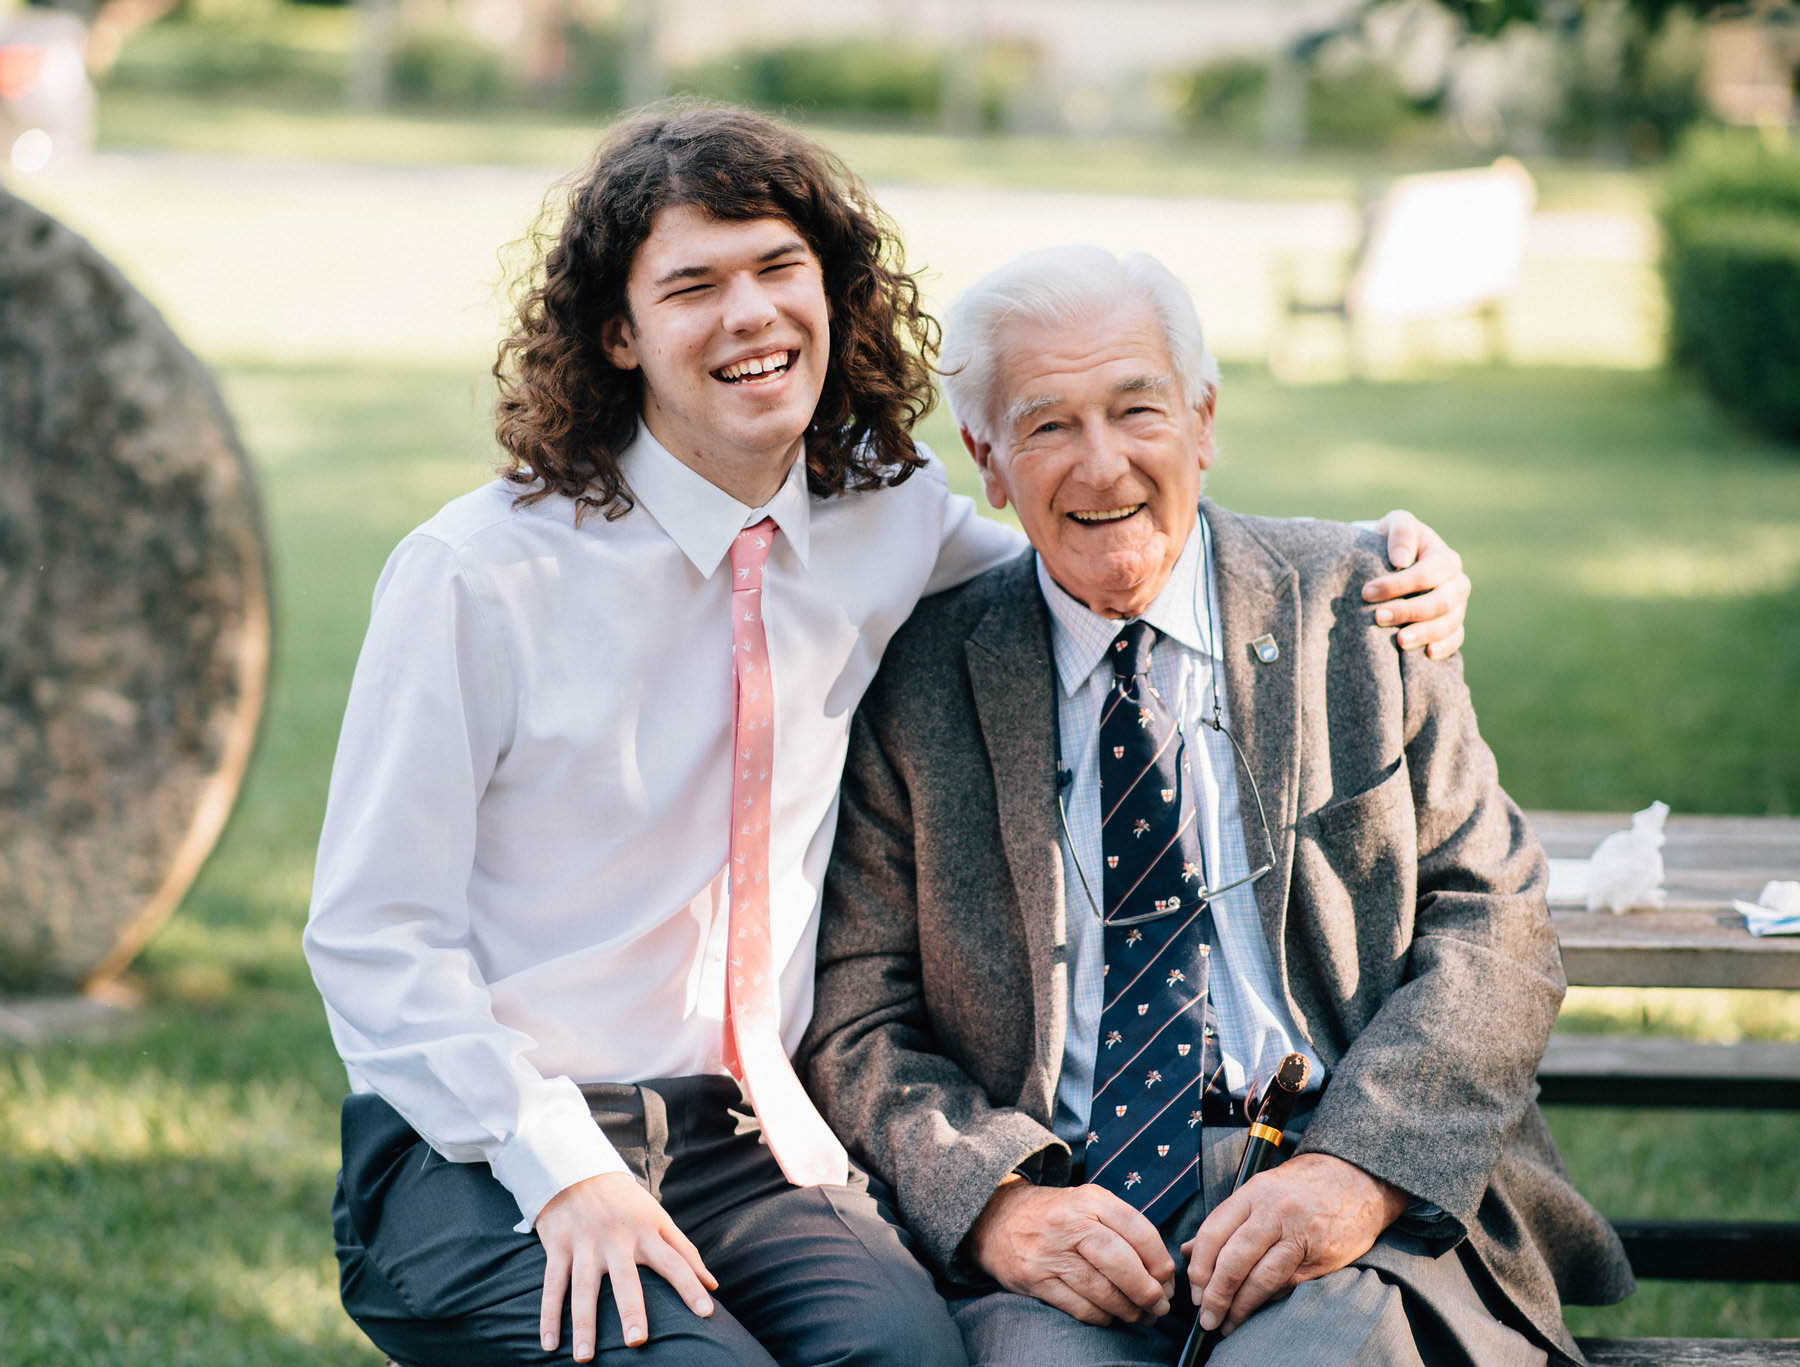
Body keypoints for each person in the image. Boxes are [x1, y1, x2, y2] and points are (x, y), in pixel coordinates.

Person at [304, 105, 1473, 1367]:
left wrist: (1371, 561)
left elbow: (1103, 526)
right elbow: (373, 938)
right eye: (691, 284)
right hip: (486, 1146)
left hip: (750, 1145)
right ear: (616, 333)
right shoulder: (476, 578)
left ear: (831, 291)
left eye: (776, 269)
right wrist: (563, 1172)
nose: (748, 313)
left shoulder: (883, 517)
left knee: (916, 1357)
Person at [799, 244, 1634, 1367]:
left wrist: (1358, 1167)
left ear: (1201, 420)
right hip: (1065, 1225)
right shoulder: (919, 677)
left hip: (1356, 1207)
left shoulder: (1362, 606)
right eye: (1047, 425)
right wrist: (996, 1201)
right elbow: (856, 1012)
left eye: (1135, 408)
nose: (1101, 465)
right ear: (986, 462)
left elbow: (1497, 922)